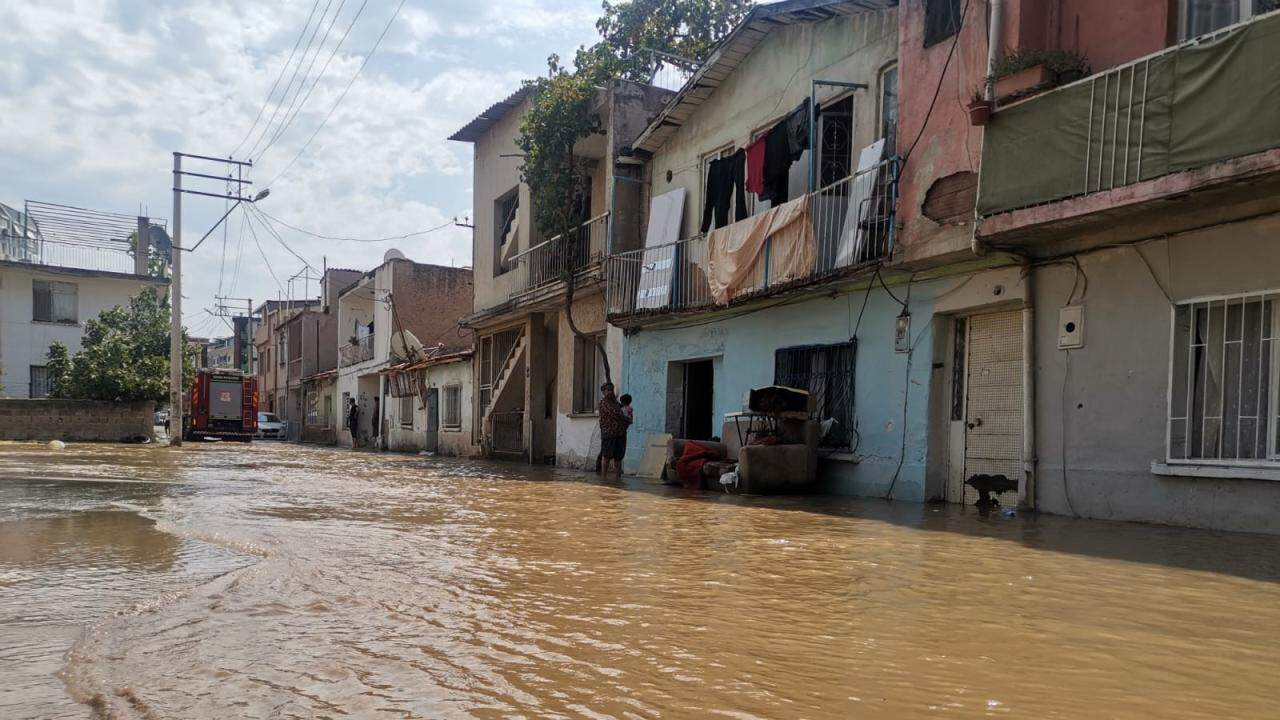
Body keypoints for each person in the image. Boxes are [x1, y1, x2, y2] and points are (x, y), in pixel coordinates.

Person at [597, 382, 631, 478]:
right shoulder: (603, 403)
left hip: (620, 433)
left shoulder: (616, 403)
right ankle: (604, 478)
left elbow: (625, 411)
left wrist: (628, 415)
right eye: (608, 390)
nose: (610, 392)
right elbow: (616, 414)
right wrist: (627, 419)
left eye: (612, 389)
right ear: (603, 392)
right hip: (609, 433)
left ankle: (618, 478)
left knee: (618, 457)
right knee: (606, 455)